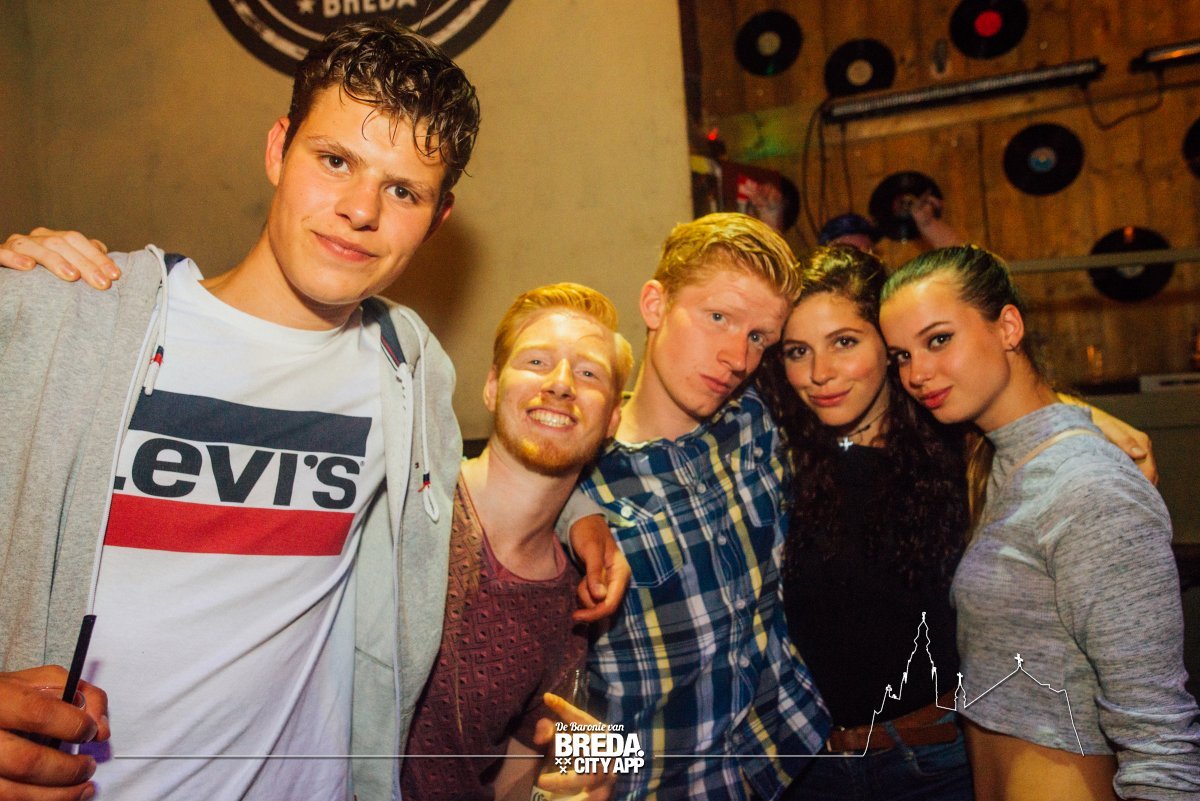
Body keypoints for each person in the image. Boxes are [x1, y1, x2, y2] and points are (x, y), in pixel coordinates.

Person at [0, 21, 621, 800]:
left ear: (438, 217)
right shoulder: (74, 320)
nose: (361, 209)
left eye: (403, 190)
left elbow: (543, 741)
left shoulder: (410, 374)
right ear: (278, 150)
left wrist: (586, 520)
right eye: (335, 161)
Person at [879, 245, 1200, 801]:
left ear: (1008, 327)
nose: (918, 373)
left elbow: (1159, 735)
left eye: (939, 340)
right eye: (901, 356)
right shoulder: (995, 460)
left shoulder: (1088, 486)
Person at [579, 212, 830, 801]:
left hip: (793, 753)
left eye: (758, 338)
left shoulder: (755, 419)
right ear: (655, 304)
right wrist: (570, 781)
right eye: (718, 317)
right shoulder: (578, 481)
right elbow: (547, 695)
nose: (737, 357)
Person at [755, 245, 975, 801]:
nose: (819, 374)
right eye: (798, 351)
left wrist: (1081, 416)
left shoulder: (959, 446)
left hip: (936, 764)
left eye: (844, 343)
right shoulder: (772, 457)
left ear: (887, 346)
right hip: (807, 771)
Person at [403, 283, 631, 801]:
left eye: (589, 373)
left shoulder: (572, 605)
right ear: (491, 386)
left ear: (612, 419)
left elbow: (518, 777)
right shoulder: (404, 505)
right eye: (536, 361)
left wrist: (594, 779)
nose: (560, 384)